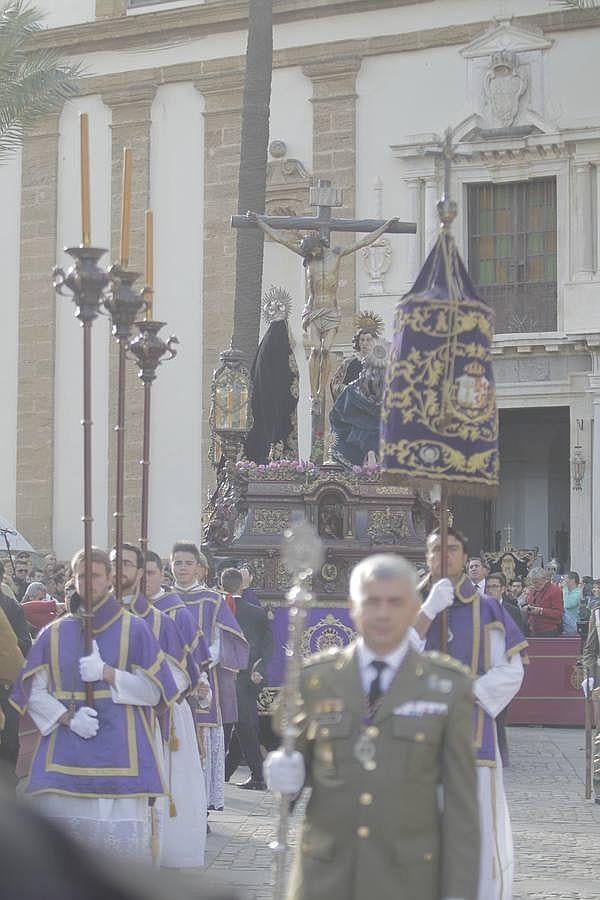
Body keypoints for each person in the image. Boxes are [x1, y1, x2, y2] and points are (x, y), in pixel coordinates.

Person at [264, 553, 480, 900]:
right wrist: (284, 779)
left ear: (415, 608)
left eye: (395, 602)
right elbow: (294, 780)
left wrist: (460, 893)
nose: (382, 613)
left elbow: (462, 810)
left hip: (407, 882)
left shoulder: (446, 688)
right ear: (352, 607)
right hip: (325, 878)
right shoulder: (316, 680)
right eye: (371, 601)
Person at [10, 546, 179, 861]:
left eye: (96, 575)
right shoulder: (53, 634)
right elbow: (33, 691)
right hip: (65, 757)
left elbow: (155, 693)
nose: (88, 582)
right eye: (81, 576)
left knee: (117, 862)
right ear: (73, 580)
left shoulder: (135, 629)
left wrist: (108, 673)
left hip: (121, 755)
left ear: (110, 578)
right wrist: (67, 718)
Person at [414, 527, 527, 900]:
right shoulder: (408, 604)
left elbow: (511, 671)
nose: (443, 556)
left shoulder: (488, 609)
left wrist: (469, 691)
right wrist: (428, 611)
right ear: (426, 556)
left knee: (476, 830)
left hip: (473, 738)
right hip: (415, 740)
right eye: (436, 549)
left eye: (452, 549)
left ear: (465, 557)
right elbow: (390, 661)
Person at [247, 210, 398, 404]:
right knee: (316, 349)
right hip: (313, 311)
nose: (312, 255)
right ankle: (313, 395)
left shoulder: (337, 254)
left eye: (314, 251)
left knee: (326, 350)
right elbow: (281, 239)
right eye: (309, 253)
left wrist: (385, 227)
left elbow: (364, 241)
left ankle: (321, 390)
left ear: (320, 245)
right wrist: (260, 222)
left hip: (331, 311)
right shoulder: (308, 257)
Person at [171, 542, 248, 813]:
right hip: (170, 682)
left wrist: (201, 664)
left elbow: (222, 640)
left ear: (199, 568)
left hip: (204, 681)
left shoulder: (213, 600)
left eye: (188, 563)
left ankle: (200, 809)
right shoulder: (164, 600)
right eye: (177, 563)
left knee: (202, 744)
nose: (182, 568)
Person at [221, 568, 273, 790]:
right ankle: (233, 773)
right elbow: (267, 646)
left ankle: (226, 774)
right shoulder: (257, 613)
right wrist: (258, 668)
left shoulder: (215, 607)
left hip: (221, 675)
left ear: (221, 584)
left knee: (226, 728)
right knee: (245, 727)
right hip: (246, 677)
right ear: (242, 586)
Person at [524, 567, 564, 637]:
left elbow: (559, 613)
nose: (535, 585)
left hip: (549, 632)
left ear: (544, 579)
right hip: (533, 630)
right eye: (533, 582)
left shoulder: (555, 591)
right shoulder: (533, 590)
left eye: (537, 582)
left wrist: (541, 611)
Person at [561, 571, 582, 636]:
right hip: (564, 623)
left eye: (565, 579)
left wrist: (564, 588)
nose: (564, 581)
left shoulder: (578, 593)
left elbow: (567, 605)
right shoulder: (565, 591)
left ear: (573, 580)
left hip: (573, 624)